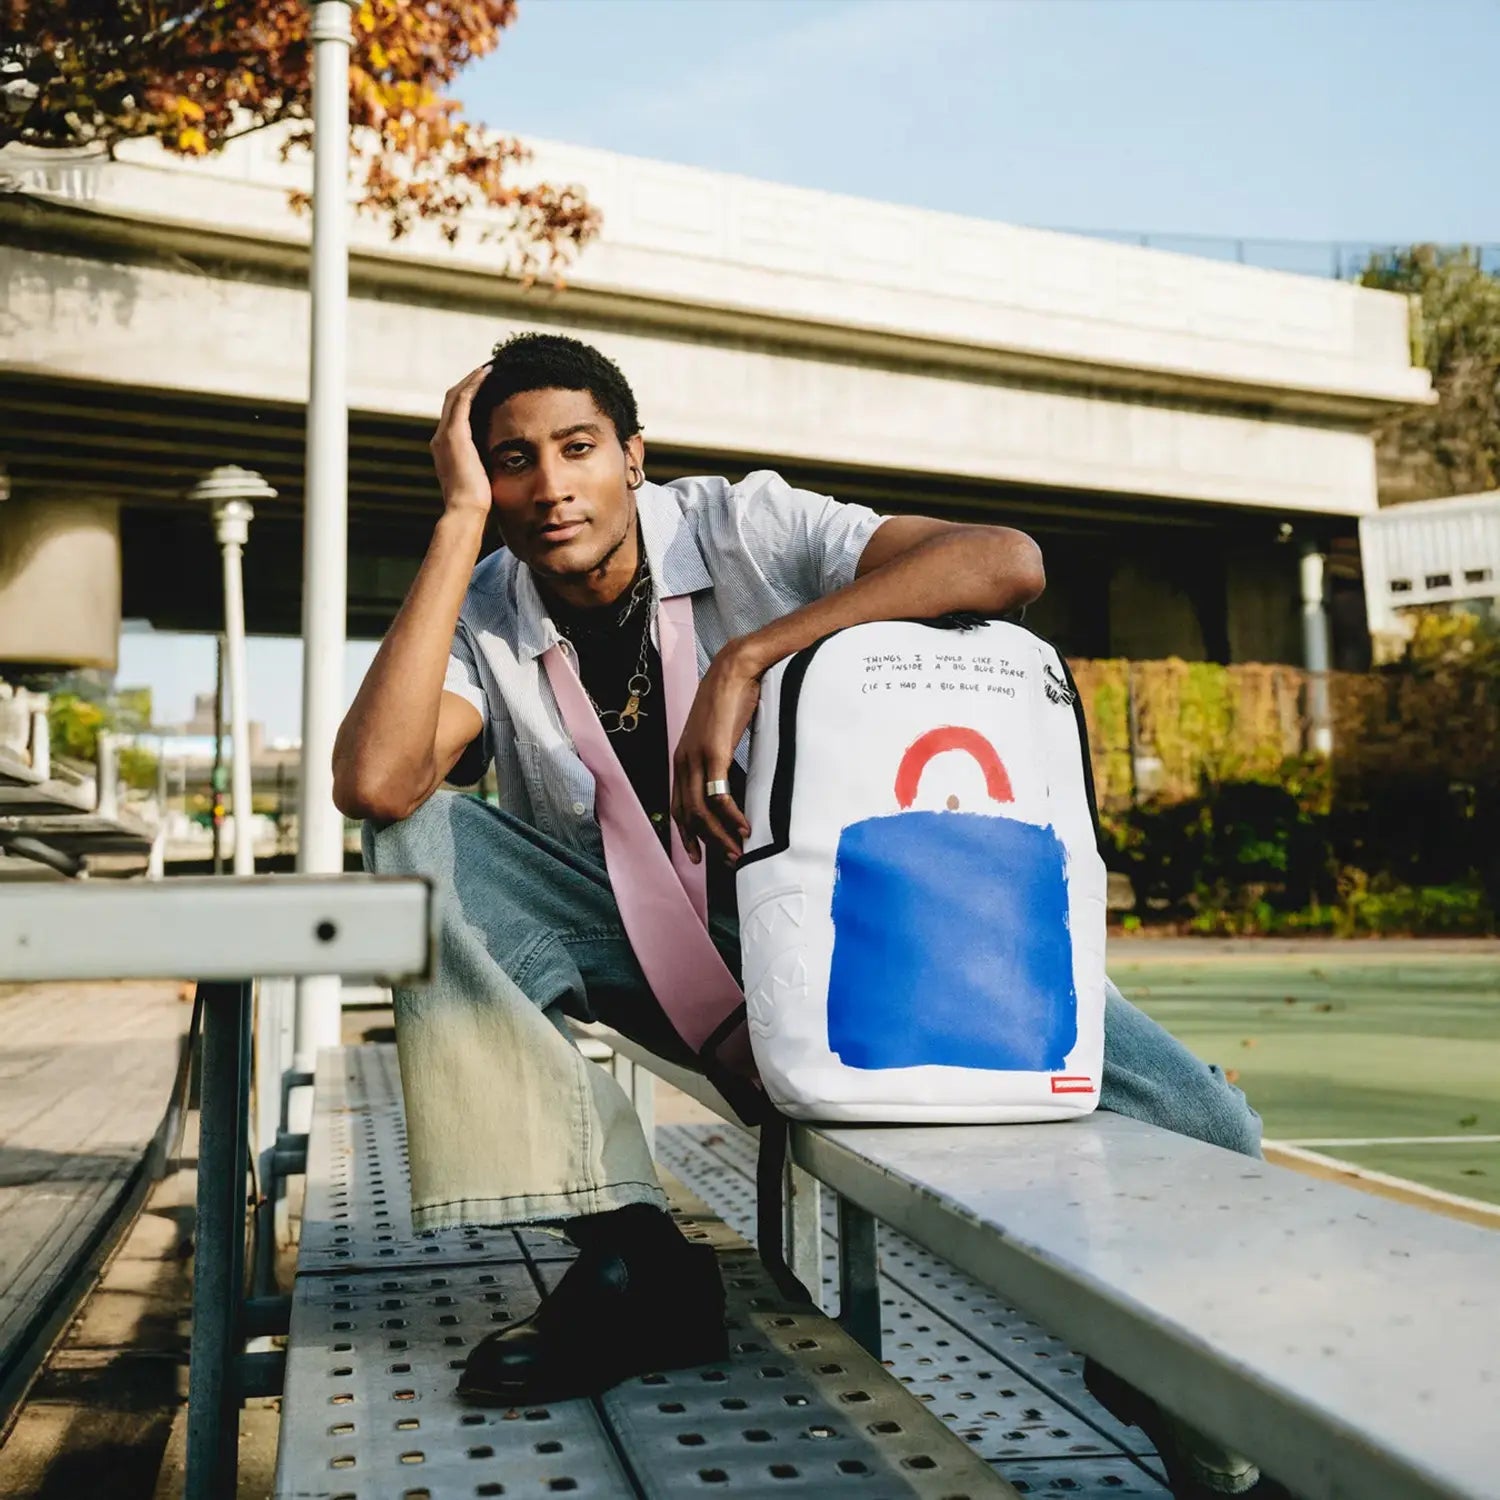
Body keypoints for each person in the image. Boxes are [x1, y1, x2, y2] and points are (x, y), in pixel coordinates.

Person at [334, 333, 1270, 1496]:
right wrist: (453, 527)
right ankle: (632, 1256)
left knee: (1205, 1127)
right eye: (511, 462)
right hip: (653, 947)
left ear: (635, 456)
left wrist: (753, 661)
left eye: (577, 449)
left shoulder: (744, 524)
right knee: (413, 838)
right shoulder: (489, 602)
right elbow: (376, 782)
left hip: (878, 940)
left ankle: (1213, 1447)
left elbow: (1004, 560)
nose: (549, 485)